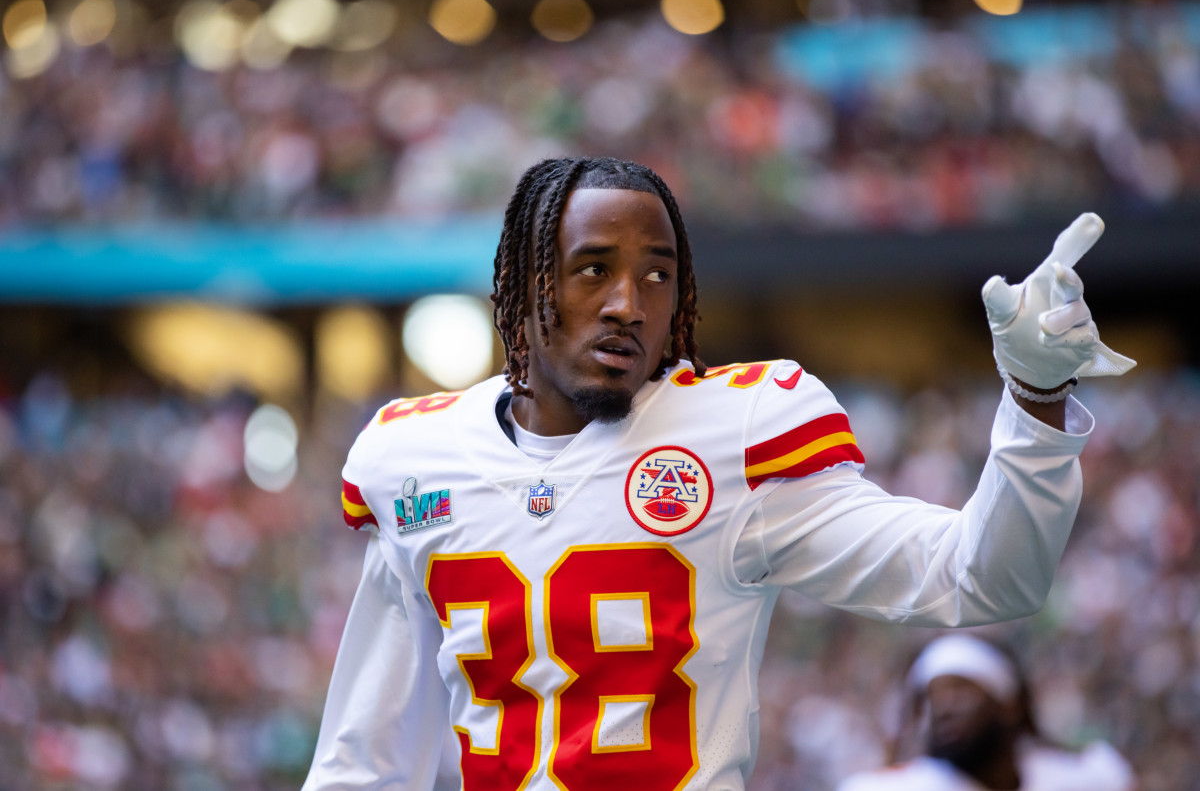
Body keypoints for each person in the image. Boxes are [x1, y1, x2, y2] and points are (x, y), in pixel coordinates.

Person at [302, 156, 1134, 790]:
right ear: (526, 284)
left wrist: (1034, 398)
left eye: (658, 274)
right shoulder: (414, 460)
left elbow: (980, 578)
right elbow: (363, 763)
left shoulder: (737, 435)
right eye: (595, 267)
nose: (630, 301)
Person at [836, 634, 1136, 790]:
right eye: (932, 697)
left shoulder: (1086, 777)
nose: (943, 708)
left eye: (960, 691)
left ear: (1009, 705)